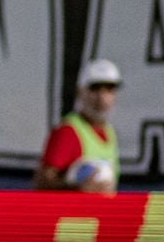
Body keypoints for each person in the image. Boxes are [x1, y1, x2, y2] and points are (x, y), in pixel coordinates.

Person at [32, 58, 122, 194]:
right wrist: (77, 189)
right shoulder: (68, 132)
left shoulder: (109, 132)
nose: (102, 97)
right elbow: (41, 184)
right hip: (74, 214)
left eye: (109, 89)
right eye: (95, 88)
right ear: (80, 91)